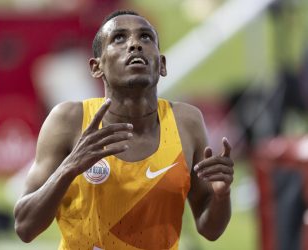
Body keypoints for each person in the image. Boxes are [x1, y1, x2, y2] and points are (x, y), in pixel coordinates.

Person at [13, 10, 234, 250]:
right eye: (119, 38)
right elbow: (25, 227)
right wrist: (69, 167)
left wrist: (221, 196)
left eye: (146, 37)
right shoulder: (69, 120)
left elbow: (210, 229)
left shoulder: (186, 122)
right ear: (96, 67)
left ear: (162, 64)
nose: (135, 45)